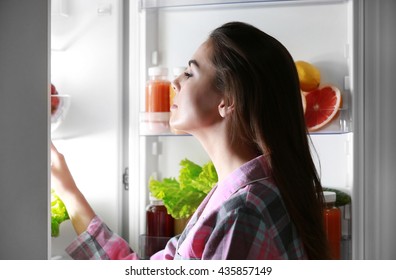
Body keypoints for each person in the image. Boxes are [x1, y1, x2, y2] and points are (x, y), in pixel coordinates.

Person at [51, 21, 331, 260]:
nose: (175, 82)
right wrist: (68, 190)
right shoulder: (239, 195)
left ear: (228, 100)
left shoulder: (241, 214)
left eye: (189, 72)